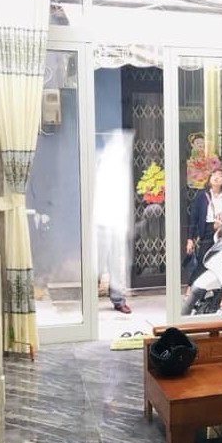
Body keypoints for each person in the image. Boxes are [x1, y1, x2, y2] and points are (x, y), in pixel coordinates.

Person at [95, 132, 132, 314]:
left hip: (116, 222)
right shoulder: (97, 165)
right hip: (99, 223)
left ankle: (118, 300)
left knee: (116, 264)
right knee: (96, 262)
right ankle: (89, 301)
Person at [185, 166, 222, 289]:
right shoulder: (202, 196)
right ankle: (191, 288)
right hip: (208, 231)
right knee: (204, 261)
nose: (217, 177)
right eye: (214, 174)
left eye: (220, 175)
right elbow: (194, 217)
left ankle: (219, 294)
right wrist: (190, 239)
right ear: (209, 178)